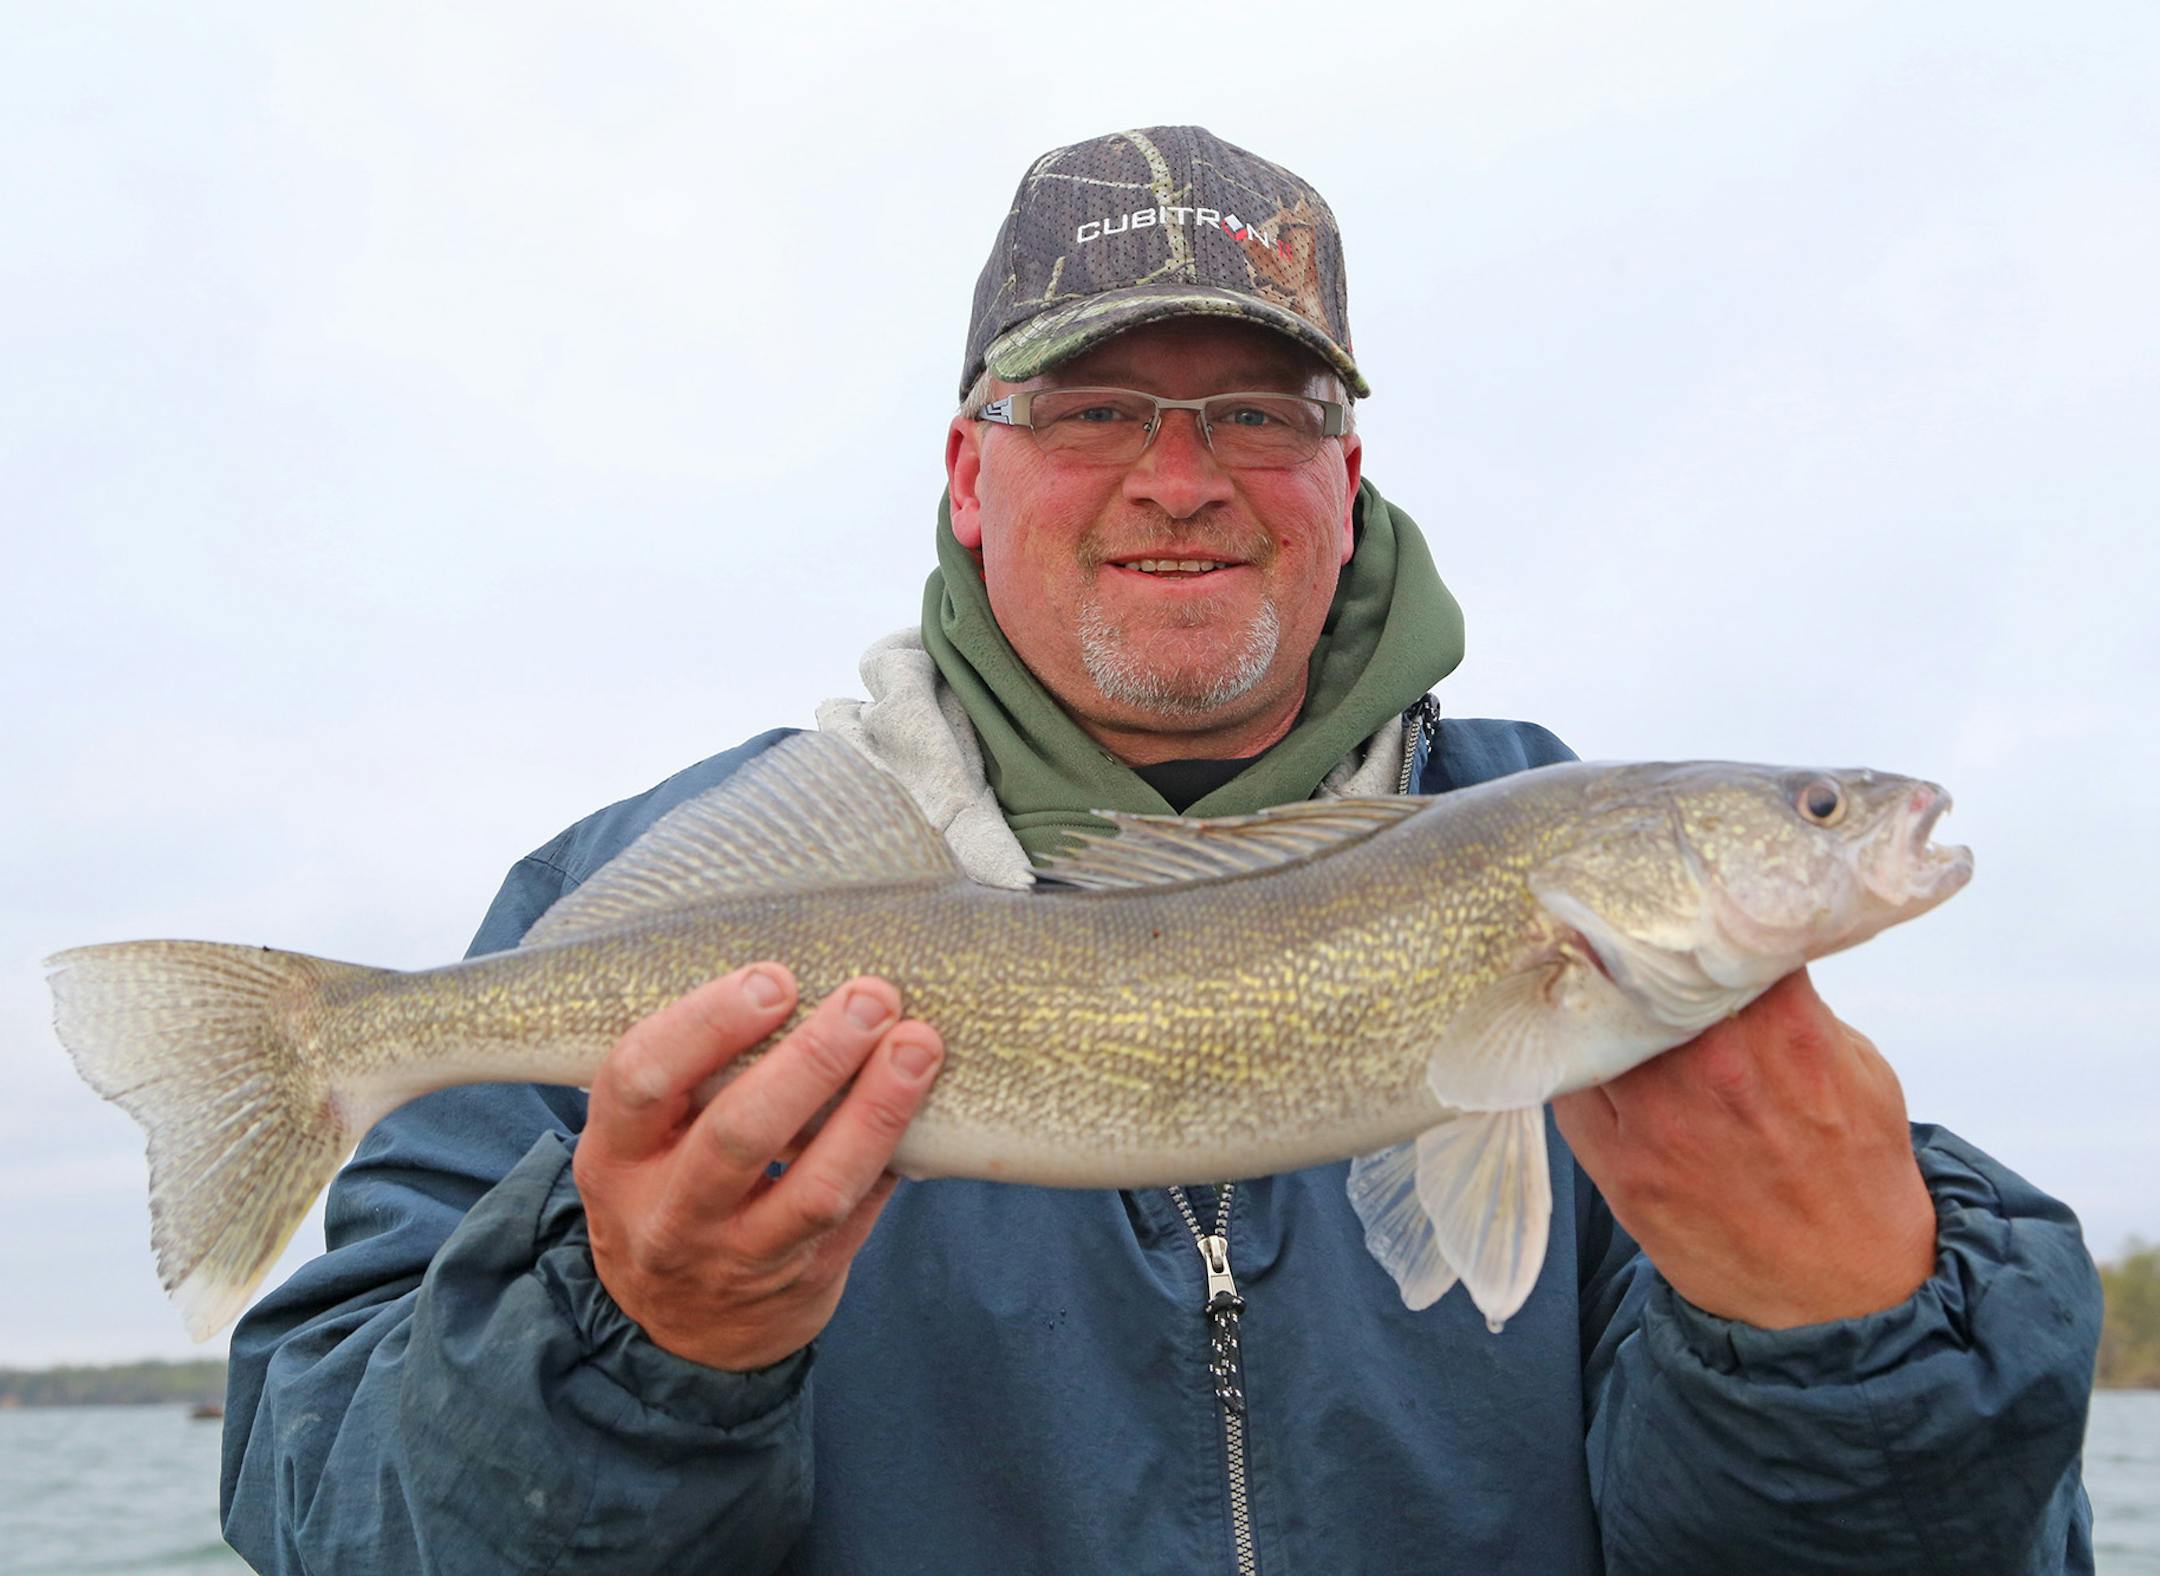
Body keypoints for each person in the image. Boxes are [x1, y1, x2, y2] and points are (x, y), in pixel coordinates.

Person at [221, 126, 2100, 1574]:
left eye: (1260, 414)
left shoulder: (1669, 1004)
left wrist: (1849, 1350)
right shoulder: (627, 890)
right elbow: (322, 1505)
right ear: (968, 474)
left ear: (1347, 477)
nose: (1180, 475)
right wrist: (628, 1349)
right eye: (1095, 407)